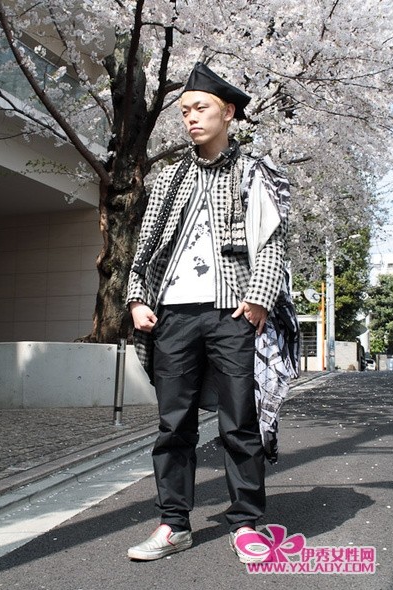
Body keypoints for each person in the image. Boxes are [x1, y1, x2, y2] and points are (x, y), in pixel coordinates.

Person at [125, 62, 292, 563]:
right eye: (184, 112)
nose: (191, 118)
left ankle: (246, 523)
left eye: (200, 108)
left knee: (239, 421)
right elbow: (145, 243)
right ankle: (173, 524)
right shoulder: (170, 177)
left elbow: (272, 239)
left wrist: (259, 295)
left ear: (228, 112)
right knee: (173, 425)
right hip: (172, 314)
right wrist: (137, 297)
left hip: (232, 312)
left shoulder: (252, 172)